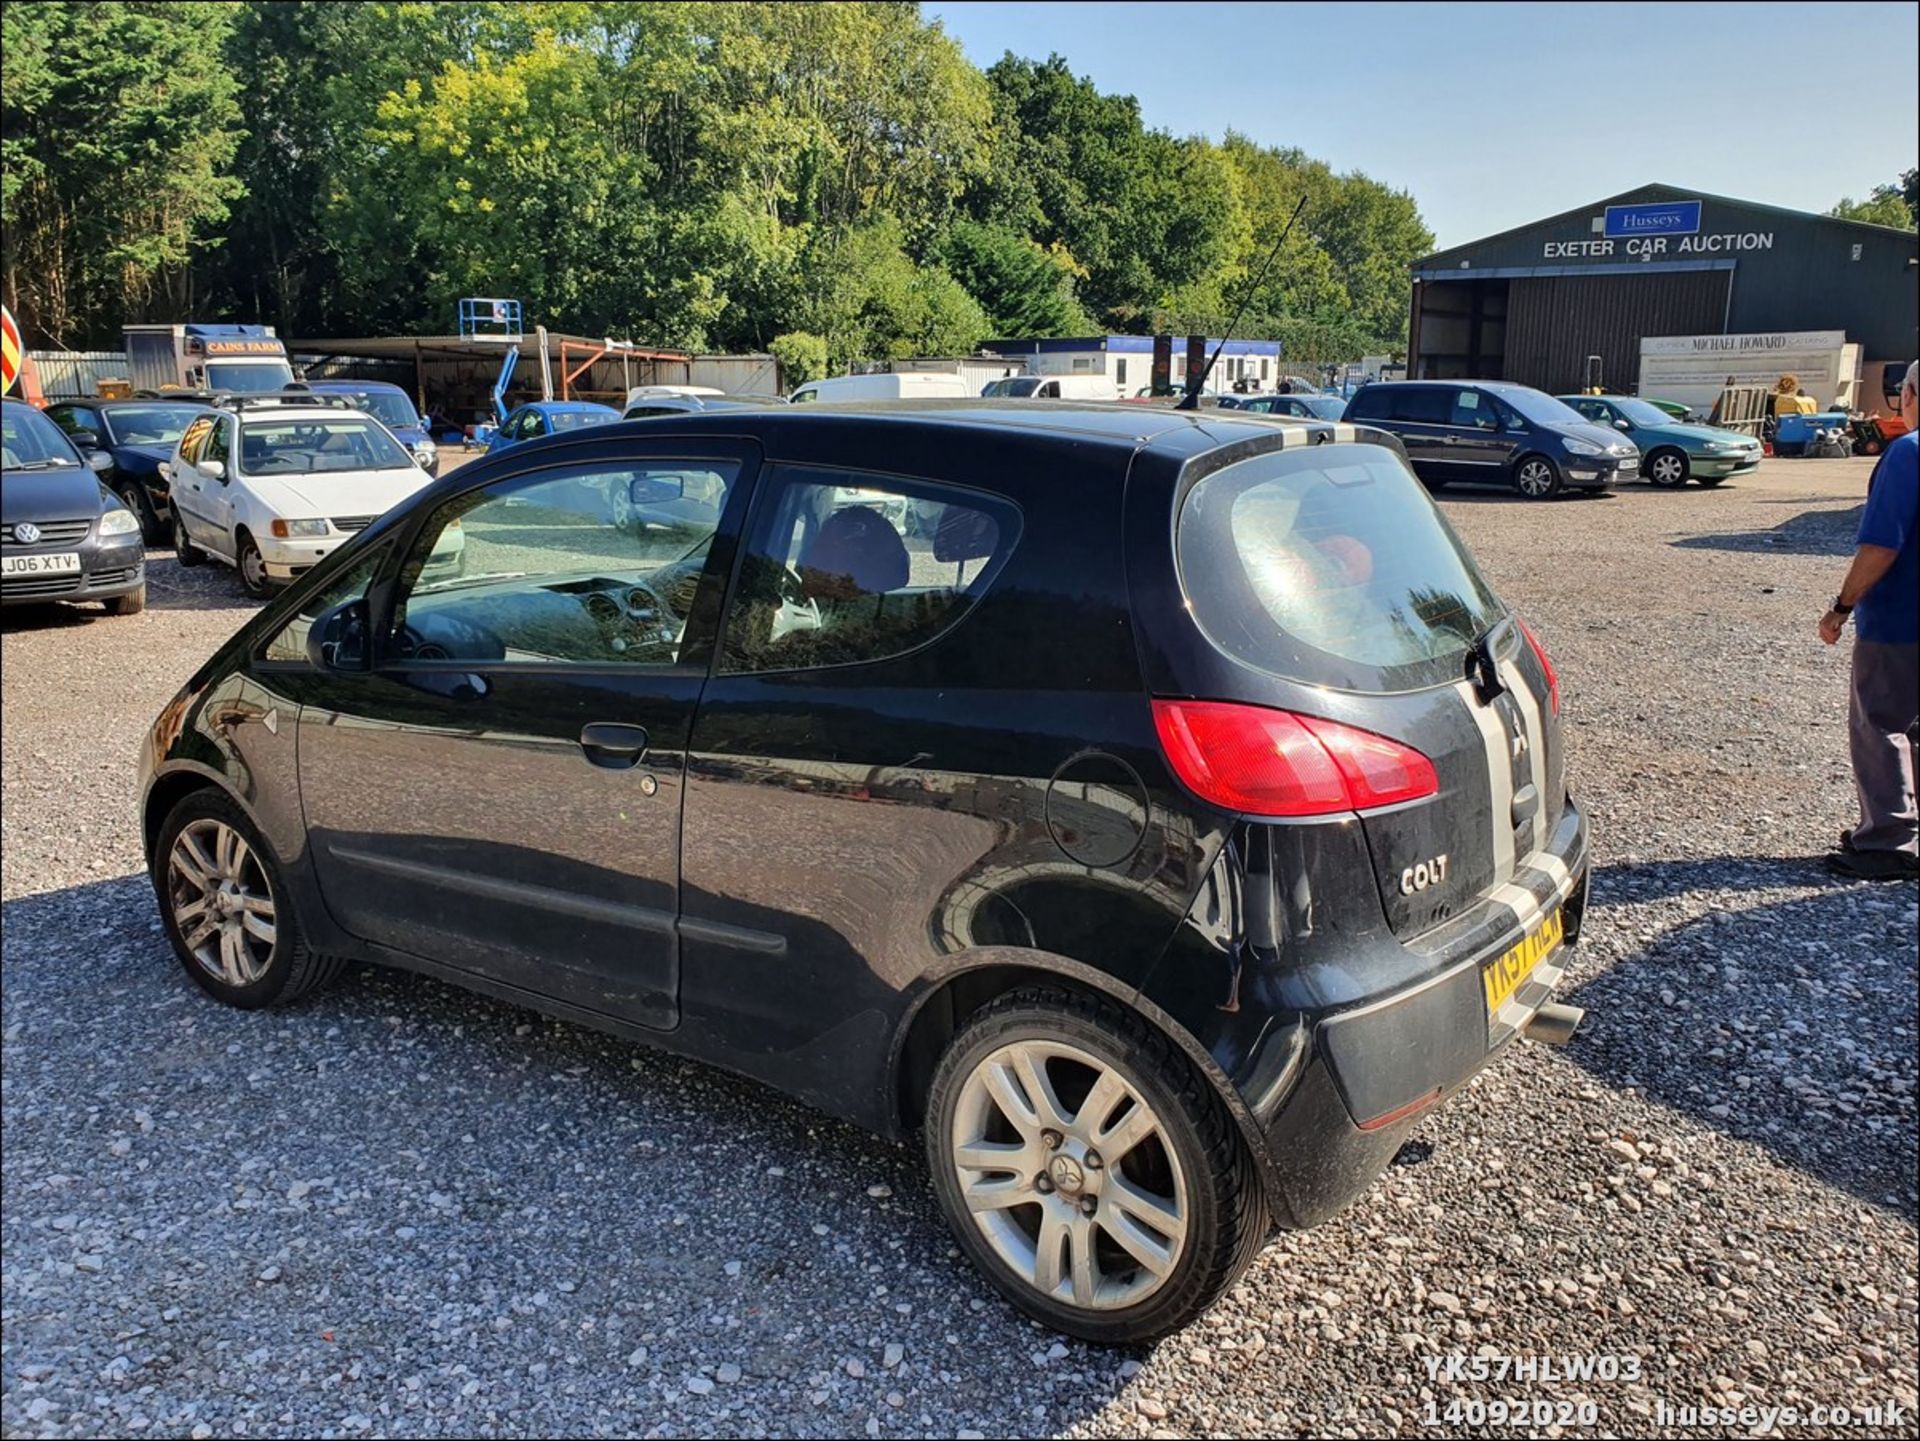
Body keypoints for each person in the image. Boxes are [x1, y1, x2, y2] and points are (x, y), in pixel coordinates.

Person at [1818, 359, 1918, 880]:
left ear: (1909, 395)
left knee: (1881, 723)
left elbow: (1882, 545)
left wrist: (1841, 607)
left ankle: (1887, 840)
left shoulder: (1908, 454)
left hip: (1902, 622)